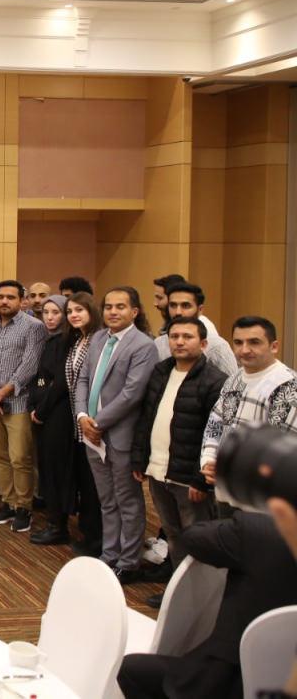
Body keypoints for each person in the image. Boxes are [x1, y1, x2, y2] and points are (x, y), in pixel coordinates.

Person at [117, 511, 297, 699]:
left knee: (130, 669)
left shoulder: (259, 531)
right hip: (283, 683)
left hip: (221, 678)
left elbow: (192, 538)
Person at [132, 316, 227, 607]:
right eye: (175, 337)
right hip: (158, 470)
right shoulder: (161, 371)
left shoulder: (214, 381)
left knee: (197, 538)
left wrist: (201, 478)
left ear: (203, 343)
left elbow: (215, 433)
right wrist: (140, 459)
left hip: (189, 479)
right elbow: (146, 419)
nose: (180, 342)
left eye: (187, 337)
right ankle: (178, 593)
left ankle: (201, 600)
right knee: (173, 535)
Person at [74, 286, 158, 583]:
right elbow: (83, 379)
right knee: (106, 500)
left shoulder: (144, 346)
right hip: (91, 433)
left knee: (127, 501)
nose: (112, 312)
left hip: (119, 435)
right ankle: (109, 555)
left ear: (134, 311)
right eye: (108, 306)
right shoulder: (98, 338)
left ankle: (129, 561)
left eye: (120, 307)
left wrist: (97, 424)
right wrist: (82, 417)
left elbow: (132, 394)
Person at [0, 280, 47, 533]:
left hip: (18, 403)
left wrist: (0, 394)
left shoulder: (34, 327)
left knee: (20, 457)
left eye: (10, 297)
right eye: (1, 296)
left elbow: (29, 366)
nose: (4, 301)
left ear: (21, 300)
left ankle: (24, 507)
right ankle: (8, 501)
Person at [200, 315, 297, 508]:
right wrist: (209, 460)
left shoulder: (287, 386)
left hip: (262, 501)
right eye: (238, 342)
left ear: (274, 346)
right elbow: (215, 424)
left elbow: (285, 452)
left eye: (254, 342)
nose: (244, 350)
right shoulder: (234, 379)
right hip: (227, 491)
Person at [58, 292, 105, 556]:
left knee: (95, 485)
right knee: (85, 482)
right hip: (78, 420)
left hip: (94, 421)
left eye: (79, 310)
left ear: (91, 311)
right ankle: (89, 533)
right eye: (70, 311)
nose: (74, 315)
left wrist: (87, 416)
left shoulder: (99, 339)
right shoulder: (78, 339)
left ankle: (98, 539)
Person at [27, 295, 75, 541]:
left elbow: (60, 382)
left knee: (56, 469)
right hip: (44, 411)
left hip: (58, 413)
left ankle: (58, 526)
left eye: (56, 312)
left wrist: (41, 410)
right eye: (46, 312)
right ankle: (53, 520)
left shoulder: (65, 341)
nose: (49, 317)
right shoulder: (49, 339)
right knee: (46, 466)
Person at [153, 282, 236, 375]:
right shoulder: (158, 343)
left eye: (185, 306)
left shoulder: (217, 346)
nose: (178, 312)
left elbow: (232, 381)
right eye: (173, 305)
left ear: (200, 310)